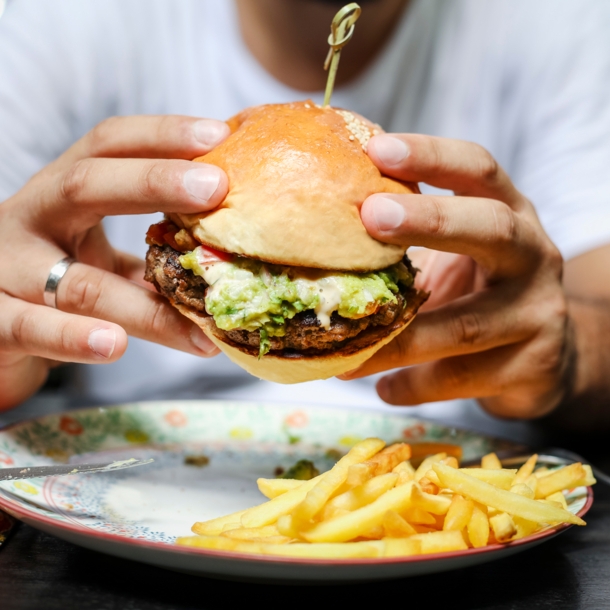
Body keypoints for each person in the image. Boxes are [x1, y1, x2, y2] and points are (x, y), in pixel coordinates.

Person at [0, 0, 609, 432]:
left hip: (446, 466)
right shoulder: (64, 22)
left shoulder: (557, 22)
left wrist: (573, 356)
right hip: (127, 458)